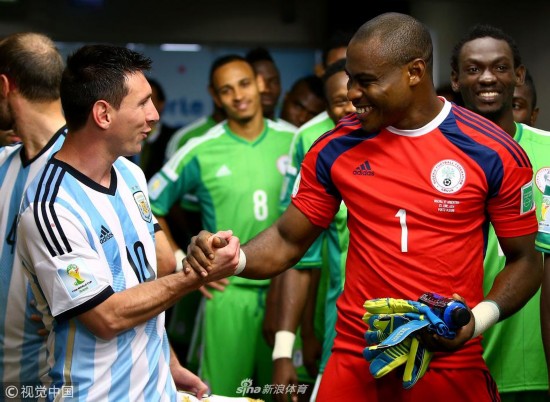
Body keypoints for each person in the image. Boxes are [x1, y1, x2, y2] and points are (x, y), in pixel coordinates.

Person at [185, 12, 542, 402]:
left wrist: (476, 321)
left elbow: (526, 262)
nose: (352, 93)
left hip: (447, 359)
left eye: (367, 81)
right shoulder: (336, 147)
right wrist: (233, 257)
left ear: (415, 72)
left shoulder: (493, 151)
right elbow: (288, 239)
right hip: (357, 356)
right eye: (350, 78)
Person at [15, 44, 230, 400]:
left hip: (156, 389)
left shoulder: (131, 174)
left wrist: (168, 361)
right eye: (143, 103)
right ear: (103, 114)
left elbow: (153, 272)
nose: (155, 115)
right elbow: (107, 317)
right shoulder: (50, 208)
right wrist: (199, 274)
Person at [148, 54, 296, 398]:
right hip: (229, 291)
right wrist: (182, 258)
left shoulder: (295, 139)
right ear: (215, 96)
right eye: (227, 90)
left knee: (284, 391)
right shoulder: (199, 148)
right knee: (223, 394)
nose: (238, 95)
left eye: (244, 84)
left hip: (288, 289)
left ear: (260, 84)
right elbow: (148, 205)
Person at [451, 24, 550, 401]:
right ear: (455, 80)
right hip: (460, 360)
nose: (488, 77)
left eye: (500, 67)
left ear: (518, 75)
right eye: (473, 69)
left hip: (540, 363)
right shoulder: (434, 156)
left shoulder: (548, 151)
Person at [272, 58, 353, 402]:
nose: (352, 106)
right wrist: (284, 348)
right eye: (340, 101)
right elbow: (295, 249)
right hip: (341, 331)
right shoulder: (316, 145)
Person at [0, 32, 66, 390]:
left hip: (47, 384)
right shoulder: (4, 162)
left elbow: (157, 259)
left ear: (4, 86)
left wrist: (82, 308)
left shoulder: (93, 167)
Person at [139, 77, 178, 180]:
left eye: (150, 99)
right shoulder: (122, 136)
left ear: (161, 104)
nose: (144, 105)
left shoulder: (174, 137)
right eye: (140, 101)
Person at [246, 47, 281, 121]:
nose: (267, 90)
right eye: (259, 82)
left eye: (274, 82)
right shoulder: (223, 128)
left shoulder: (288, 128)